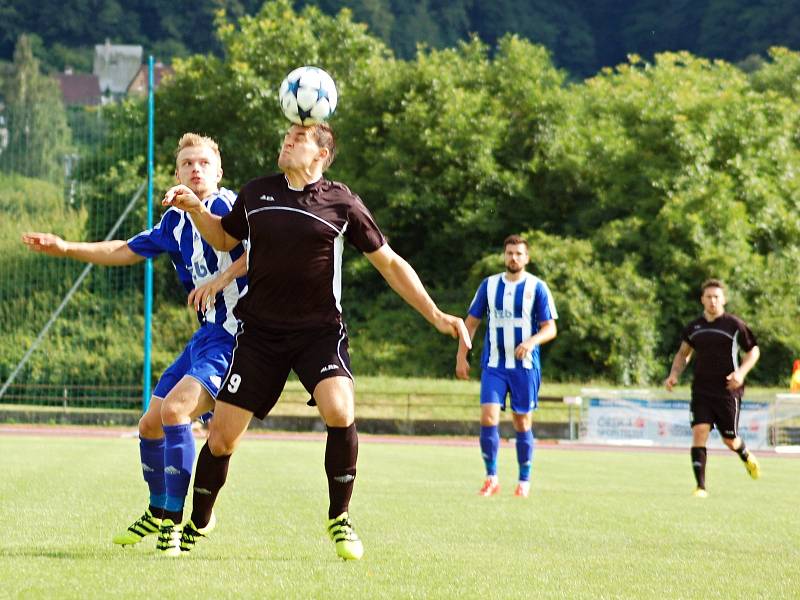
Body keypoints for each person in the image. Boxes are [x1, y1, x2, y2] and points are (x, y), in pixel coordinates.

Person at [162, 122, 470, 561]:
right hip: (260, 334)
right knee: (222, 440)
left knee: (340, 409)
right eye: (287, 134)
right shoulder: (256, 192)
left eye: (299, 138)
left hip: (319, 332)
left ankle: (340, 517)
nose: (287, 140)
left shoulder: (341, 201)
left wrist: (437, 315)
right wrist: (195, 207)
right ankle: (198, 522)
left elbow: (390, 264)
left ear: (321, 155)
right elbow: (223, 237)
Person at [21, 133, 247, 555]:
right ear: (176, 174)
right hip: (206, 336)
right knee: (150, 423)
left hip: (238, 337)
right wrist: (68, 247)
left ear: (218, 172)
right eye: (186, 164)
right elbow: (125, 249)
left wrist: (221, 280)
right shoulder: (175, 222)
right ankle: (158, 510)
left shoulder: (228, 208)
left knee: (179, 413)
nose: (195, 169)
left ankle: (172, 528)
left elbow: (264, 251)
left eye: (203, 163)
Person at [455, 235, 557, 498]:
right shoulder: (489, 286)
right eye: (510, 253)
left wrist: (532, 341)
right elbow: (471, 323)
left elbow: (550, 328)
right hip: (494, 365)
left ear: (527, 257)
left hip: (524, 367)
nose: (514, 257)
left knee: (522, 422)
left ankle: (524, 481)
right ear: (504, 255)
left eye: (519, 253)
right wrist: (461, 356)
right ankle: (491, 478)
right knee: (488, 418)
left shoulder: (537, 287)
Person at [665, 279, 761, 498]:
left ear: (723, 299)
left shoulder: (734, 325)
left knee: (730, 440)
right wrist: (673, 374)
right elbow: (683, 353)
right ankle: (700, 487)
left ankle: (745, 454)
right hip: (701, 390)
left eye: (716, 297)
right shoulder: (694, 327)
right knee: (699, 432)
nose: (712, 301)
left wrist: (741, 373)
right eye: (708, 297)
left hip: (728, 391)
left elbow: (753, 351)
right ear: (702, 300)